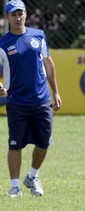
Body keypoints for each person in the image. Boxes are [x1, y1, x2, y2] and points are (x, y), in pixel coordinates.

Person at [0, 0, 62, 197]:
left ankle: (32, 176)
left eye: (21, 14)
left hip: (42, 101)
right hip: (17, 101)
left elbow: (49, 63)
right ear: (7, 17)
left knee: (44, 143)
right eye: (13, 14)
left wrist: (56, 92)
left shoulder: (39, 36)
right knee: (15, 144)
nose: (18, 18)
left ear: (26, 15)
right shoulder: (3, 43)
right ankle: (15, 186)